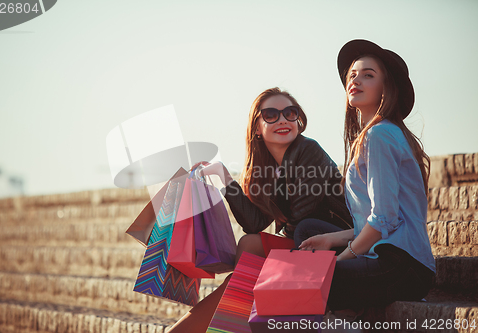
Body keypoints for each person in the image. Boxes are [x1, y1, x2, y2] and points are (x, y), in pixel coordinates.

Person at [168, 87, 352, 332]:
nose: (283, 119)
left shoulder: (308, 150)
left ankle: (195, 328)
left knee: (250, 256)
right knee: (249, 246)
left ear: (299, 119)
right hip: (305, 240)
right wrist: (225, 177)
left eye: (290, 112)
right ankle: (210, 324)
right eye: (271, 115)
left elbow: (301, 216)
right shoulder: (268, 169)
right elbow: (254, 223)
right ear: (256, 127)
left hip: (334, 239)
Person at [298, 39, 436, 311]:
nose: (356, 80)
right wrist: (332, 240)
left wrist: (342, 258)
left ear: (386, 88)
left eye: (368, 75)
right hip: (385, 252)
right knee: (309, 231)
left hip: (402, 265)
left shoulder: (380, 134)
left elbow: (384, 218)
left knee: (309, 281)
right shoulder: (371, 136)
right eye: (352, 75)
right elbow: (379, 220)